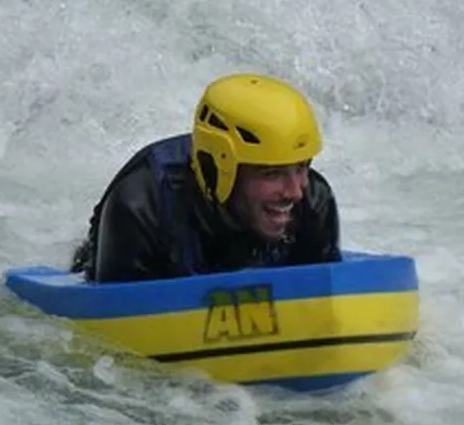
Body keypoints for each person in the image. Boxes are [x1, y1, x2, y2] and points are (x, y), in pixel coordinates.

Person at [70, 72, 342, 282]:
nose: (295, 191)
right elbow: (113, 334)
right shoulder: (141, 207)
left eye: (301, 167)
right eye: (271, 173)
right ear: (220, 169)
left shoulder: (313, 201)